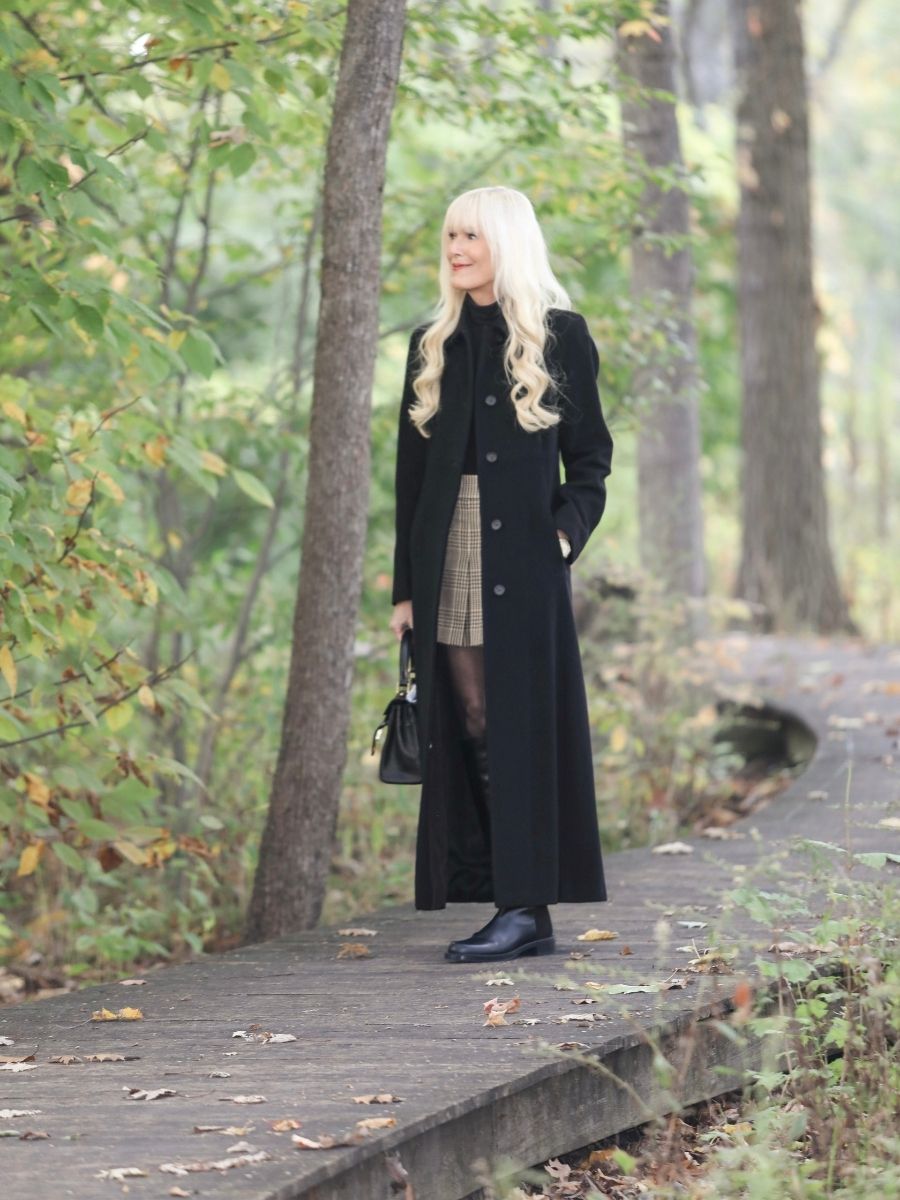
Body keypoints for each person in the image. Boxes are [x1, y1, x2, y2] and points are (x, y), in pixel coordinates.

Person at [388, 186, 613, 963]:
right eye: (450, 235)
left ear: (506, 243)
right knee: (469, 718)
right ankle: (511, 902)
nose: (455, 249)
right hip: (444, 549)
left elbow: (591, 462)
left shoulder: (560, 337)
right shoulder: (432, 341)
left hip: (522, 555)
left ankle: (526, 906)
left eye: (471, 236)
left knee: (519, 723)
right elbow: (408, 481)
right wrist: (404, 591)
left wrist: (560, 536)